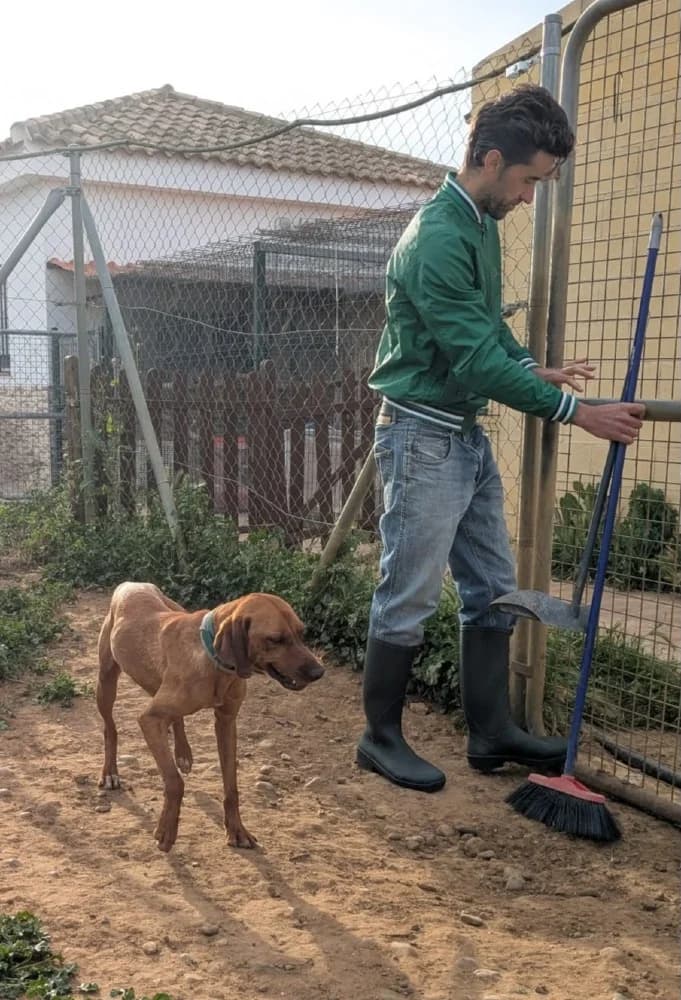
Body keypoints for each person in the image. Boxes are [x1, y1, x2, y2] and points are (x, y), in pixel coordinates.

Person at [356, 84, 645, 793]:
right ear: (489, 158)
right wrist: (572, 409)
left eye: (539, 184)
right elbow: (472, 358)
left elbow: (487, 332)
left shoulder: (478, 224)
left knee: (490, 587)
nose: (527, 197)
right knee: (409, 591)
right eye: (527, 180)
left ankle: (490, 734)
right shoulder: (437, 238)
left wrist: (527, 366)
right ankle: (379, 738)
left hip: (459, 433)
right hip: (422, 437)